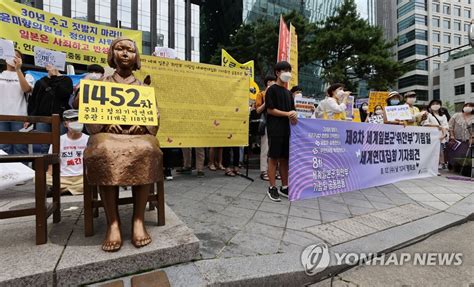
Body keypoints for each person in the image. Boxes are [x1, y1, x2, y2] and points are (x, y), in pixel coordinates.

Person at [83, 38, 163, 252]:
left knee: (148, 148)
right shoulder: (100, 84)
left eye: (130, 50)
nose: (126, 54)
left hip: (139, 137)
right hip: (107, 136)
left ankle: (138, 219)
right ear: (112, 54)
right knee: (103, 150)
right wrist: (108, 122)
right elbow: (92, 121)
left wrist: (142, 124)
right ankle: (113, 222)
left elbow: (154, 117)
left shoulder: (144, 88)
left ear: (137, 57)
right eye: (120, 49)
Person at [265, 61, 297, 202]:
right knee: (273, 158)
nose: (287, 73)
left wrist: (294, 117)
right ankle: (272, 187)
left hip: (287, 130)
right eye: (284, 70)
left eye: (289, 70)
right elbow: (270, 110)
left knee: (285, 159)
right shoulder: (271, 90)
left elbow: (293, 112)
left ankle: (285, 186)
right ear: (277, 73)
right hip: (275, 129)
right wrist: (287, 114)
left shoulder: (289, 94)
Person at [27, 64, 73, 152]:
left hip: (61, 118)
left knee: (60, 144)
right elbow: (34, 101)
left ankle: (58, 165)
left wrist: (54, 77)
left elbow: (64, 94)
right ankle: (46, 166)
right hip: (43, 118)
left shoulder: (66, 79)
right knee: (44, 146)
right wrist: (31, 117)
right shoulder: (40, 82)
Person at [46, 109, 89, 196]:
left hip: (82, 177)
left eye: (78, 119)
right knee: (38, 178)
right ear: (65, 124)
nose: (77, 122)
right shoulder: (58, 141)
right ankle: (74, 190)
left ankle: (63, 190)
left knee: (92, 181)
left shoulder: (89, 139)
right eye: (72, 120)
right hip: (63, 178)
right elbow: (50, 168)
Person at [0, 49, 34, 155]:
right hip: (1, 117)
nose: (14, 57)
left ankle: (23, 171)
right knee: (3, 148)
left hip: (20, 116)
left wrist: (18, 70)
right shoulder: (0, 75)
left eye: (17, 56)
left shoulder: (27, 76)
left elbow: (26, 89)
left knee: (20, 147)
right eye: (11, 55)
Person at [255, 75, 276, 181]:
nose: (272, 82)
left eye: (274, 81)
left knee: (274, 149)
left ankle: (272, 170)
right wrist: (266, 101)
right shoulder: (261, 94)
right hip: (266, 123)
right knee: (265, 148)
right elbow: (258, 110)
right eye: (271, 81)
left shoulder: (278, 94)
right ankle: (264, 170)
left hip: (277, 124)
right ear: (267, 83)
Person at [421, 100, 449, 170]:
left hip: (441, 135)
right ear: (430, 106)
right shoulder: (428, 115)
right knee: (431, 150)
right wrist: (437, 126)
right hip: (431, 135)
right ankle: (431, 164)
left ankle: (441, 163)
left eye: (437, 104)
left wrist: (444, 135)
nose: (435, 105)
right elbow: (425, 124)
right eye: (433, 104)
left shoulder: (443, 116)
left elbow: (446, 126)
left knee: (440, 150)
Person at [447, 102, 474, 173]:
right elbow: (450, 126)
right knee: (454, 154)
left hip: (468, 140)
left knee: (465, 155)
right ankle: (452, 167)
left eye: (470, 106)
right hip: (456, 139)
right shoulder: (456, 115)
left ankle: (462, 169)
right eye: (466, 105)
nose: (468, 107)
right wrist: (452, 135)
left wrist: (472, 137)